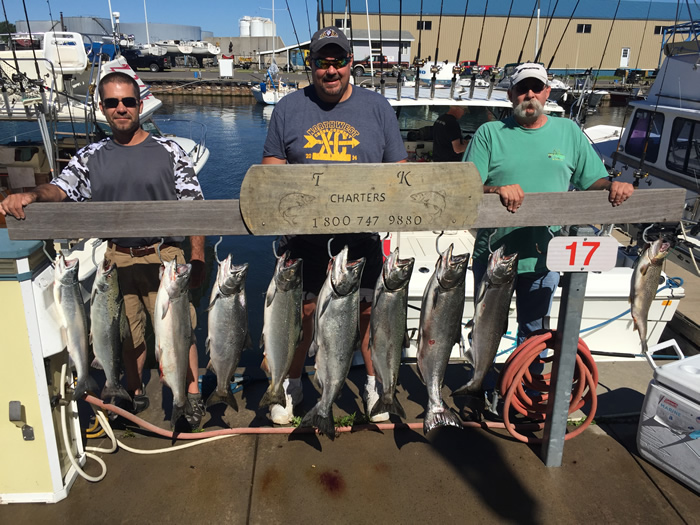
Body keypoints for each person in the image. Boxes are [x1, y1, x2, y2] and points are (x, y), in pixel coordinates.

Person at [0, 72, 207, 430]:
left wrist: (199, 257)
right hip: (117, 257)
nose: (121, 108)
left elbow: (195, 207)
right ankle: (131, 391)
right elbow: (60, 189)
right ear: (102, 108)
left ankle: (189, 395)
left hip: (166, 256)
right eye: (112, 103)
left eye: (128, 101)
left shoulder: (169, 150)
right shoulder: (90, 155)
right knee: (124, 331)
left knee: (180, 329)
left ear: (140, 105)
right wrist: (33, 195)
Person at [262, 26, 407, 425]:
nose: (331, 70)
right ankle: (290, 386)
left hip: (361, 234)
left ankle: (376, 388)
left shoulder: (377, 107)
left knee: (365, 313)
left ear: (351, 64)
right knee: (303, 312)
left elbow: (399, 170)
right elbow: (271, 168)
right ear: (311, 66)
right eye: (322, 62)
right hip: (304, 238)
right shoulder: (288, 108)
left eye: (339, 61)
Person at [465, 62, 634, 346]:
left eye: (536, 88)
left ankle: (523, 389)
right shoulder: (489, 133)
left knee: (534, 332)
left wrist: (613, 185)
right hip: (493, 255)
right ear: (511, 94)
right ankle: (480, 385)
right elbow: (466, 187)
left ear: (547, 93)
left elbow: (593, 181)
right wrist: (496, 189)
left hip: (544, 256)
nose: (529, 95)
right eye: (522, 89)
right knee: (486, 329)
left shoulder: (569, 131)